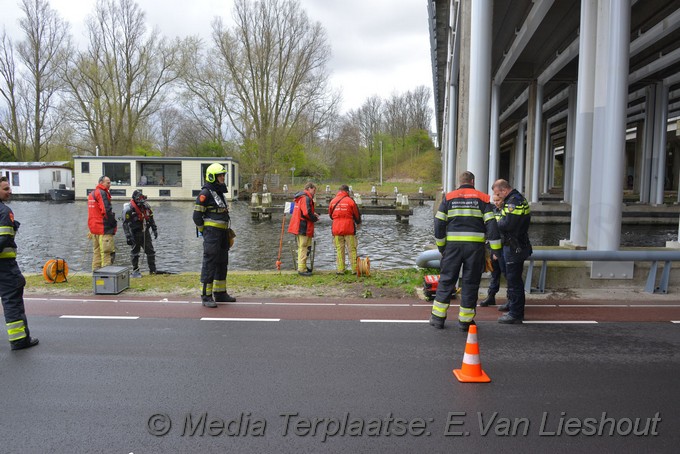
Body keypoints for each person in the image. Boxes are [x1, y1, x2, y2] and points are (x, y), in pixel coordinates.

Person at [429, 171, 502, 331]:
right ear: (473, 181)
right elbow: (492, 225)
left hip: (452, 248)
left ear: (459, 182)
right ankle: (465, 321)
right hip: (475, 249)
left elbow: (439, 223)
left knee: (447, 280)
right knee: (470, 282)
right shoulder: (483, 199)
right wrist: (496, 250)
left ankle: (438, 318)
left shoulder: (448, 197)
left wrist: (442, 246)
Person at [0, 176, 39, 350]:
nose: (10, 191)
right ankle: (19, 340)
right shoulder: (4, 211)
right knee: (12, 300)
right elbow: (3, 239)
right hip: (5, 267)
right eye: (6, 189)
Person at [193, 163, 235, 307]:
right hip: (212, 234)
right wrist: (204, 231)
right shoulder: (205, 193)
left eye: (223, 175)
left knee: (222, 262)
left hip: (222, 232)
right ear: (213, 177)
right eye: (220, 175)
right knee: (209, 263)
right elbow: (197, 216)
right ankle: (206, 296)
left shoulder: (218, 192)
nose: (223, 177)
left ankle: (220, 293)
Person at [492, 179, 532, 324]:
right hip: (514, 245)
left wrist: (493, 223)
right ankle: (511, 303)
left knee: (514, 280)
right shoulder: (513, 199)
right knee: (510, 277)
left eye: (497, 194)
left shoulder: (513, 202)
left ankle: (516, 313)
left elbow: (506, 224)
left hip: (515, 247)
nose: (497, 197)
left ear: (503, 190)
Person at [123, 190, 158, 277]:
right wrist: (127, 236)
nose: (141, 201)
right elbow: (125, 223)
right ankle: (135, 270)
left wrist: (154, 229)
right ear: (134, 199)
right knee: (135, 253)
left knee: (151, 252)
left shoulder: (146, 206)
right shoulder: (129, 208)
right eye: (139, 198)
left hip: (145, 232)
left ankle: (153, 270)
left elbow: (151, 218)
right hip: (134, 233)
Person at [329, 184, 362, 275]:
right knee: (352, 249)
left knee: (339, 249)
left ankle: (340, 270)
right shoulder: (350, 201)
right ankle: (354, 269)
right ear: (347, 192)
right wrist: (358, 222)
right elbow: (356, 214)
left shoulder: (332, 201)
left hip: (336, 229)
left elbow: (330, 215)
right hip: (349, 228)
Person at [479, 193, 505, 307]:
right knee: (494, 274)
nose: (496, 202)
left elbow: (504, 233)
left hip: (504, 248)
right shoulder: (492, 211)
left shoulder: (507, 211)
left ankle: (511, 300)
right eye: (494, 200)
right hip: (493, 247)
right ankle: (491, 296)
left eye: (498, 200)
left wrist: (497, 251)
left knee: (508, 275)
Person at [288, 182, 319, 276]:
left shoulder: (300, 198)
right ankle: (302, 269)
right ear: (310, 188)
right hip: (303, 226)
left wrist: (313, 214)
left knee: (304, 247)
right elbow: (306, 213)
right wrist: (314, 218)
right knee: (304, 247)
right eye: (314, 190)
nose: (314, 193)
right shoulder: (306, 198)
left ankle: (303, 266)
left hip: (298, 226)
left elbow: (304, 211)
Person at [87, 175, 117, 270]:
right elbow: (106, 210)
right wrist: (113, 224)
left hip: (94, 229)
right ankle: (106, 277)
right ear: (101, 183)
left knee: (97, 253)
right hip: (103, 228)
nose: (109, 185)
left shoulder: (92, 194)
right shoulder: (102, 193)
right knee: (107, 253)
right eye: (107, 182)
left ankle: (96, 276)